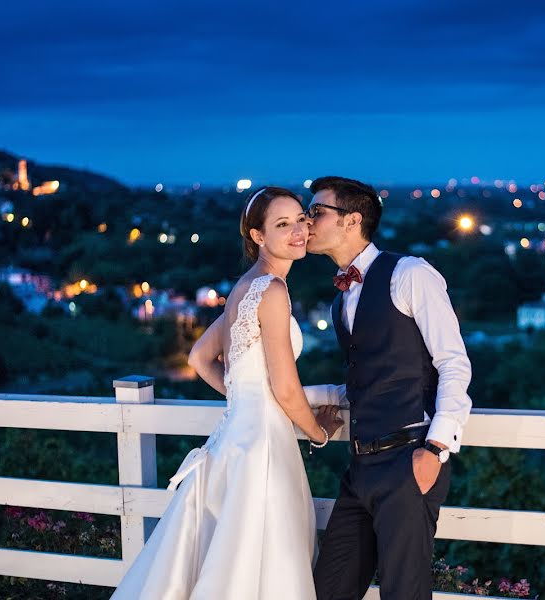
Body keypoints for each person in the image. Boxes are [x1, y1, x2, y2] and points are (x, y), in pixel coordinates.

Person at [112, 186, 345, 599]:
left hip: (237, 434)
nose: (298, 231)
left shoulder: (245, 286)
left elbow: (201, 358)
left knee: (234, 553)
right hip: (261, 446)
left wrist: (247, 399)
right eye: (282, 224)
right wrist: (319, 432)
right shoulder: (271, 291)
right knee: (265, 555)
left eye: (301, 220)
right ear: (258, 236)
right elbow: (287, 389)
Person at [305, 176, 472, 599]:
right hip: (359, 468)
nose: (307, 222)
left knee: (403, 594)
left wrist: (434, 450)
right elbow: (366, 381)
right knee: (327, 590)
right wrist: (282, 395)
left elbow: (453, 363)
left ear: (351, 220)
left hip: (408, 458)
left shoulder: (410, 273)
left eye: (317, 212)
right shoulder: (340, 301)